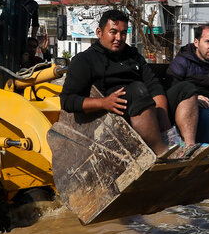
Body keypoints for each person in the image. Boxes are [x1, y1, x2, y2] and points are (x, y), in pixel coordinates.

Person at [60, 9, 197, 154]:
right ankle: (161, 152)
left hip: (147, 106)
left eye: (123, 33)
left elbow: (154, 86)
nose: (119, 38)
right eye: (113, 32)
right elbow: (67, 101)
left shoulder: (132, 55)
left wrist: (166, 127)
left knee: (186, 89)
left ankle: (188, 147)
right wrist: (104, 102)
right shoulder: (84, 60)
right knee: (138, 89)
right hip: (114, 116)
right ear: (99, 32)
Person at [167, 23, 209, 144]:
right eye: (208, 42)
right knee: (204, 110)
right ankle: (200, 148)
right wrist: (194, 98)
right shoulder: (182, 62)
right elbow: (172, 88)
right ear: (196, 43)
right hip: (188, 111)